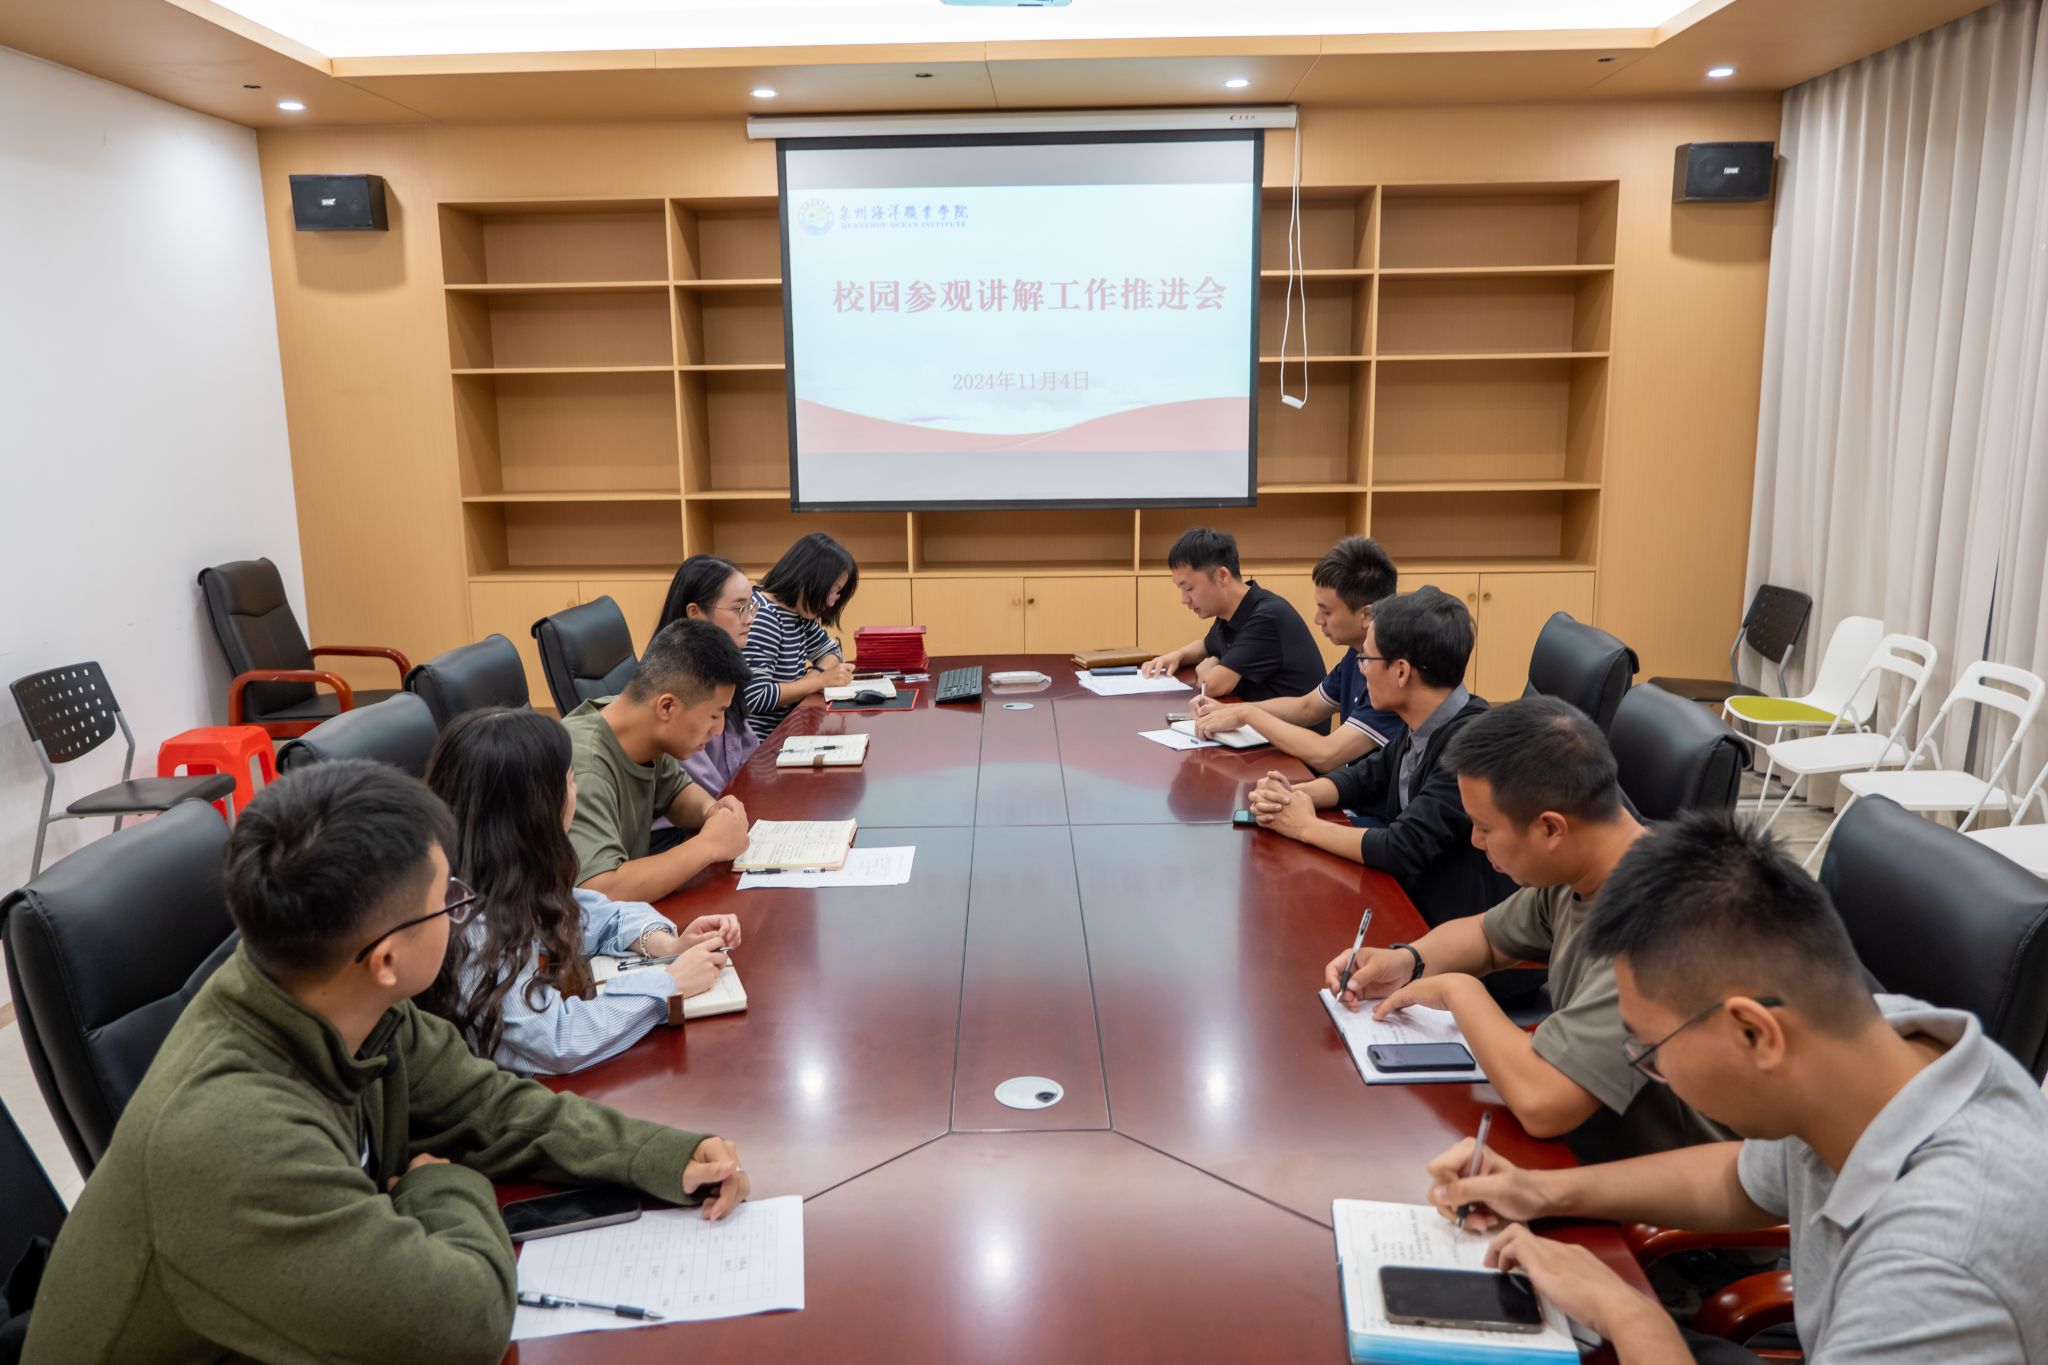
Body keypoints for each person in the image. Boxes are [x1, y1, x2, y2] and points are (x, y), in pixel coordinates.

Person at [23, 761, 752, 1365]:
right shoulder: (233, 1138)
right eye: (449, 901)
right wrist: (442, 1184)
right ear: (384, 958)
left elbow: (490, 1106)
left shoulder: (341, 998)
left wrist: (662, 1155)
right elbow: (462, 1327)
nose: (462, 912)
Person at [1422, 812, 2048, 1364]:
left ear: (1755, 1032)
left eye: (1652, 1051)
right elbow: (1746, 1176)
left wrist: (1630, 1314)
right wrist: (1540, 1191)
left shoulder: (1939, 1268)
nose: (1653, 1071)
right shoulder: (1874, 1039)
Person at [1325, 697, 1729, 1162]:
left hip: (1651, 1172)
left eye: (1484, 828)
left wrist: (1458, 991)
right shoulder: (1587, 862)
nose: (1475, 841)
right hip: (1590, 1133)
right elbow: (1487, 936)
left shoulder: (1656, 924)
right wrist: (1407, 960)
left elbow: (1543, 1105)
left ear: (1550, 829)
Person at [420, 707, 742, 1075]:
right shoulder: (469, 920)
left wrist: (666, 944)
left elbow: (602, 915)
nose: (576, 793)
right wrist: (669, 984)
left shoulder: (503, 872)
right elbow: (556, 1040)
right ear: (537, 810)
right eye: (571, 782)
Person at [1249, 586, 1512, 926]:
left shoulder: (1469, 748)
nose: (1360, 670)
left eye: (1366, 659)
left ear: (1401, 671)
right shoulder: (1427, 718)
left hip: (1448, 925)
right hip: (1411, 897)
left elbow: (1402, 848)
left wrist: (1303, 826)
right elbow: (1366, 777)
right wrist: (1292, 796)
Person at [566, 618, 753, 903]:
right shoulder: (586, 767)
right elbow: (600, 890)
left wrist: (712, 812)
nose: (718, 730)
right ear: (667, 706)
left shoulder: (638, 722)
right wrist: (709, 845)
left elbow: (676, 792)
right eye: (715, 715)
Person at [1190, 535, 1404, 769]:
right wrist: (1233, 710)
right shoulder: (1357, 654)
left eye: (1327, 612)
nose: (1317, 619)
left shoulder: (1391, 674)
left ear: (1367, 615)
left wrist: (1247, 715)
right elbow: (1307, 707)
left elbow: (1327, 755)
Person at [1139, 526, 1324, 705]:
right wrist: (1177, 656)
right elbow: (1207, 645)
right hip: (1252, 716)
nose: (1184, 599)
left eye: (1189, 588)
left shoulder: (1266, 618)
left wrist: (1207, 669)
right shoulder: (1232, 609)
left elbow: (1211, 686)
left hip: (1286, 725)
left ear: (1222, 576)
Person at [656, 553, 763, 792]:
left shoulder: (722, 667)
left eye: (751, 607)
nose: (750, 619)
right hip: (706, 809)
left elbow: (749, 749)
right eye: (739, 608)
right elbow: (704, 788)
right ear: (695, 612)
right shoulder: (677, 683)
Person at [741, 531, 860, 741]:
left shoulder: (797, 613)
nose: (832, 601)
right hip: (763, 745)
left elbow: (832, 653)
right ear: (808, 579)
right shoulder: (763, 616)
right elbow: (756, 697)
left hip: (790, 732)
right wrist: (819, 681)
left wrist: (814, 677)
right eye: (832, 590)